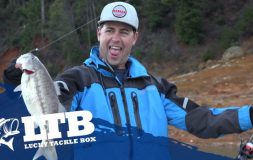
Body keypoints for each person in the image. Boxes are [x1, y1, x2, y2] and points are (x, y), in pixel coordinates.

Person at [3, 1, 253, 159]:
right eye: (110, 30)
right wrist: (16, 83)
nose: (116, 38)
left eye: (124, 31)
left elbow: (203, 121)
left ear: (135, 37)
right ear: (99, 32)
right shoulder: (77, 79)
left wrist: (249, 115)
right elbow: (47, 105)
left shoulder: (156, 87)